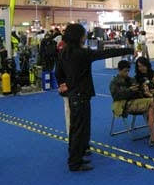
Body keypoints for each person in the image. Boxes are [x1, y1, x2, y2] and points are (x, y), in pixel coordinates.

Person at [55, 23, 133, 171]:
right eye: (83, 34)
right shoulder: (82, 53)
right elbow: (105, 53)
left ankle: (77, 155)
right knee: (80, 129)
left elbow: (58, 73)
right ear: (79, 36)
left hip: (73, 95)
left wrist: (64, 85)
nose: (85, 36)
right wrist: (129, 49)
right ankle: (75, 162)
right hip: (81, 95)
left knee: (76, 128)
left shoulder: (64, 52)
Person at [110, 60, 154, 145]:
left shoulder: (130, 79)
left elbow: (139, 90)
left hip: (136, 101)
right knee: (153, 103)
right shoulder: (114, 82)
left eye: (128, 71)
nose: (127, 73)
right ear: (119, 70)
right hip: (124, 104)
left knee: (152, 107)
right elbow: (116, 96)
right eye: (125, 71)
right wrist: (129, 90)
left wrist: (142, 88)